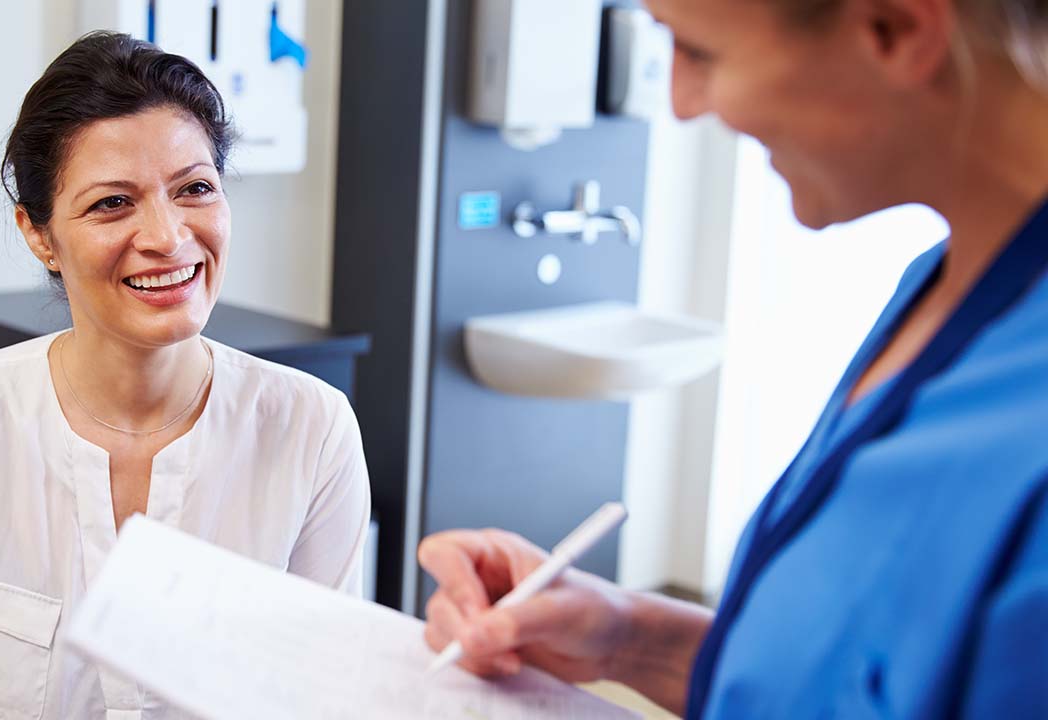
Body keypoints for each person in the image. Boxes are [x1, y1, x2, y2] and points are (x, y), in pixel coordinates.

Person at [418, 0, 1048, 716]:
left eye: (700, 54)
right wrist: (632, 641)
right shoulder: (944, 288)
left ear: (895, 30)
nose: (682, 105)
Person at [0, 32, 370, 719]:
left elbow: (326, 699)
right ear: (40, 235)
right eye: (112, 203)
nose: (166, 236)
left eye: (194, 188)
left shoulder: (312, 430)